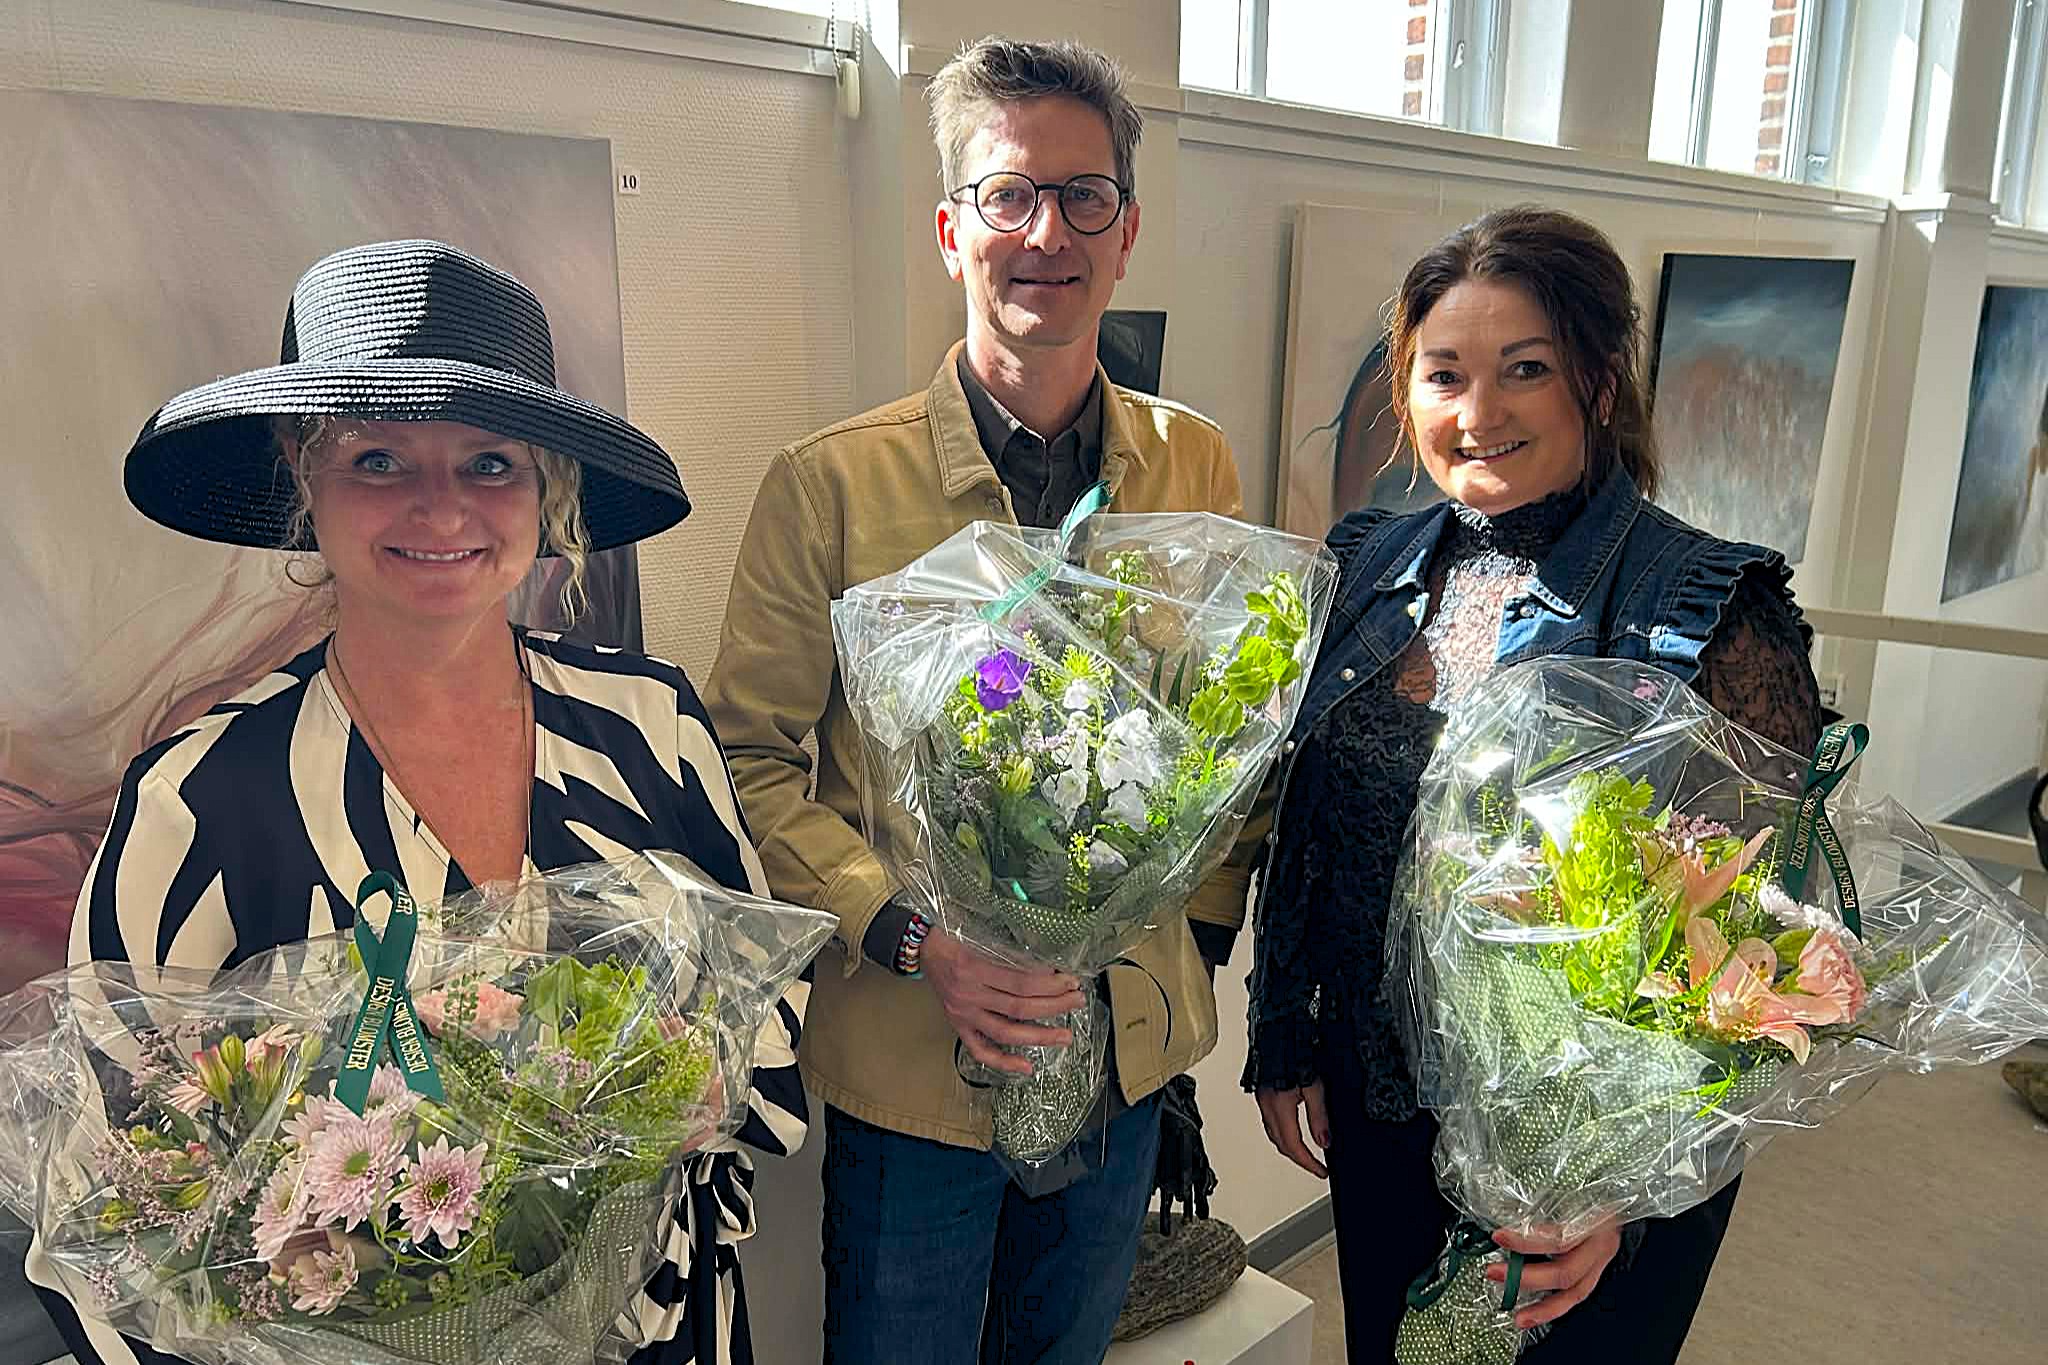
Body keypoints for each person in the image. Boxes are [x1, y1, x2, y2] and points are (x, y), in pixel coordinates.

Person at [30, 239, 809, 1365]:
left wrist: (686, 1106)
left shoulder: (652, 725)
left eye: (489, 462)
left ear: (545, 486)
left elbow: (763, 1009)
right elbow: (106, 1199)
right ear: (304, 474)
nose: (441, 508)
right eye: (380, 458)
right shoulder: (198, 802)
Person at [703, 36, 1249, 1365]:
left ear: (1127, 233)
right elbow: (746, 759)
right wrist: (910, 937)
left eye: (1084, 196)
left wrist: (1185, 949)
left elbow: (1233, 736)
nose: (1046, 232)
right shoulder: (832, 485)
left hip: (1123, 1055)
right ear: (952, 231)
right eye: (1009, 195)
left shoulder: (1194, 465)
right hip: (915, 1068)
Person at [1244, 206, 1825, 1362]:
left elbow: (1755, 947)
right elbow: (1307, 820)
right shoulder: (1367, 563)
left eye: (1523, 370)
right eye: (1442, 375)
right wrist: (1284, 1033)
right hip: (1379, 1108)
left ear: (1597, 384)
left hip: (1590, 1163)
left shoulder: (1709, 608)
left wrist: (1618, 1186)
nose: (1476, 413)